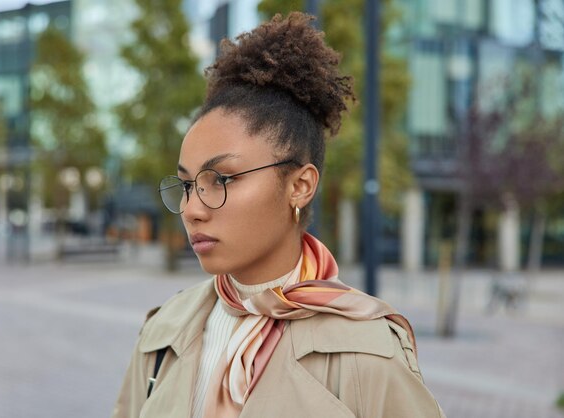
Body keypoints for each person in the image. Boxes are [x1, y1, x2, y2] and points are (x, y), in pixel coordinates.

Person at [112, 12, 445, 418]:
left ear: (300, 186)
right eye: (186, 185)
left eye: (222, 179)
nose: (192, 209)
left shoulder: (368, 352)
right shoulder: (162, 333)